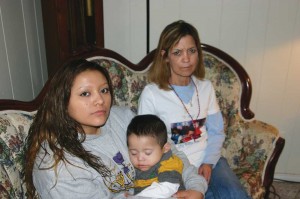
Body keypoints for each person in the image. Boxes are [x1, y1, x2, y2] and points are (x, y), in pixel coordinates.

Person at [24, 58, 207, 199]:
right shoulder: (57, 167)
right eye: (85, 93)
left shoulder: (123, 117)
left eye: (104, 90)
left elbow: (170, 151)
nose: (100, 100)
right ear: (62, 102)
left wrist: (196, 187)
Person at [138, 20, 250, 199]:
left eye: (191, 50)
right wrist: (185, 172)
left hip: (210, 161)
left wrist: (208, 162)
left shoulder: (206, 87)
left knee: (235, 194)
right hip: (174, 166)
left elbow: (216, 131)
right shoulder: (152, 94)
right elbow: (147, 143)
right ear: (165, 56)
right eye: (177, 52)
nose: (186, 59)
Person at [127, 114, 185, 197]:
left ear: (165, 148)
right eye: (133, 153)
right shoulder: (138, 166)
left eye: (147, 153)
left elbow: (168, 187)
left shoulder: (169, 162)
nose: (140, 158)